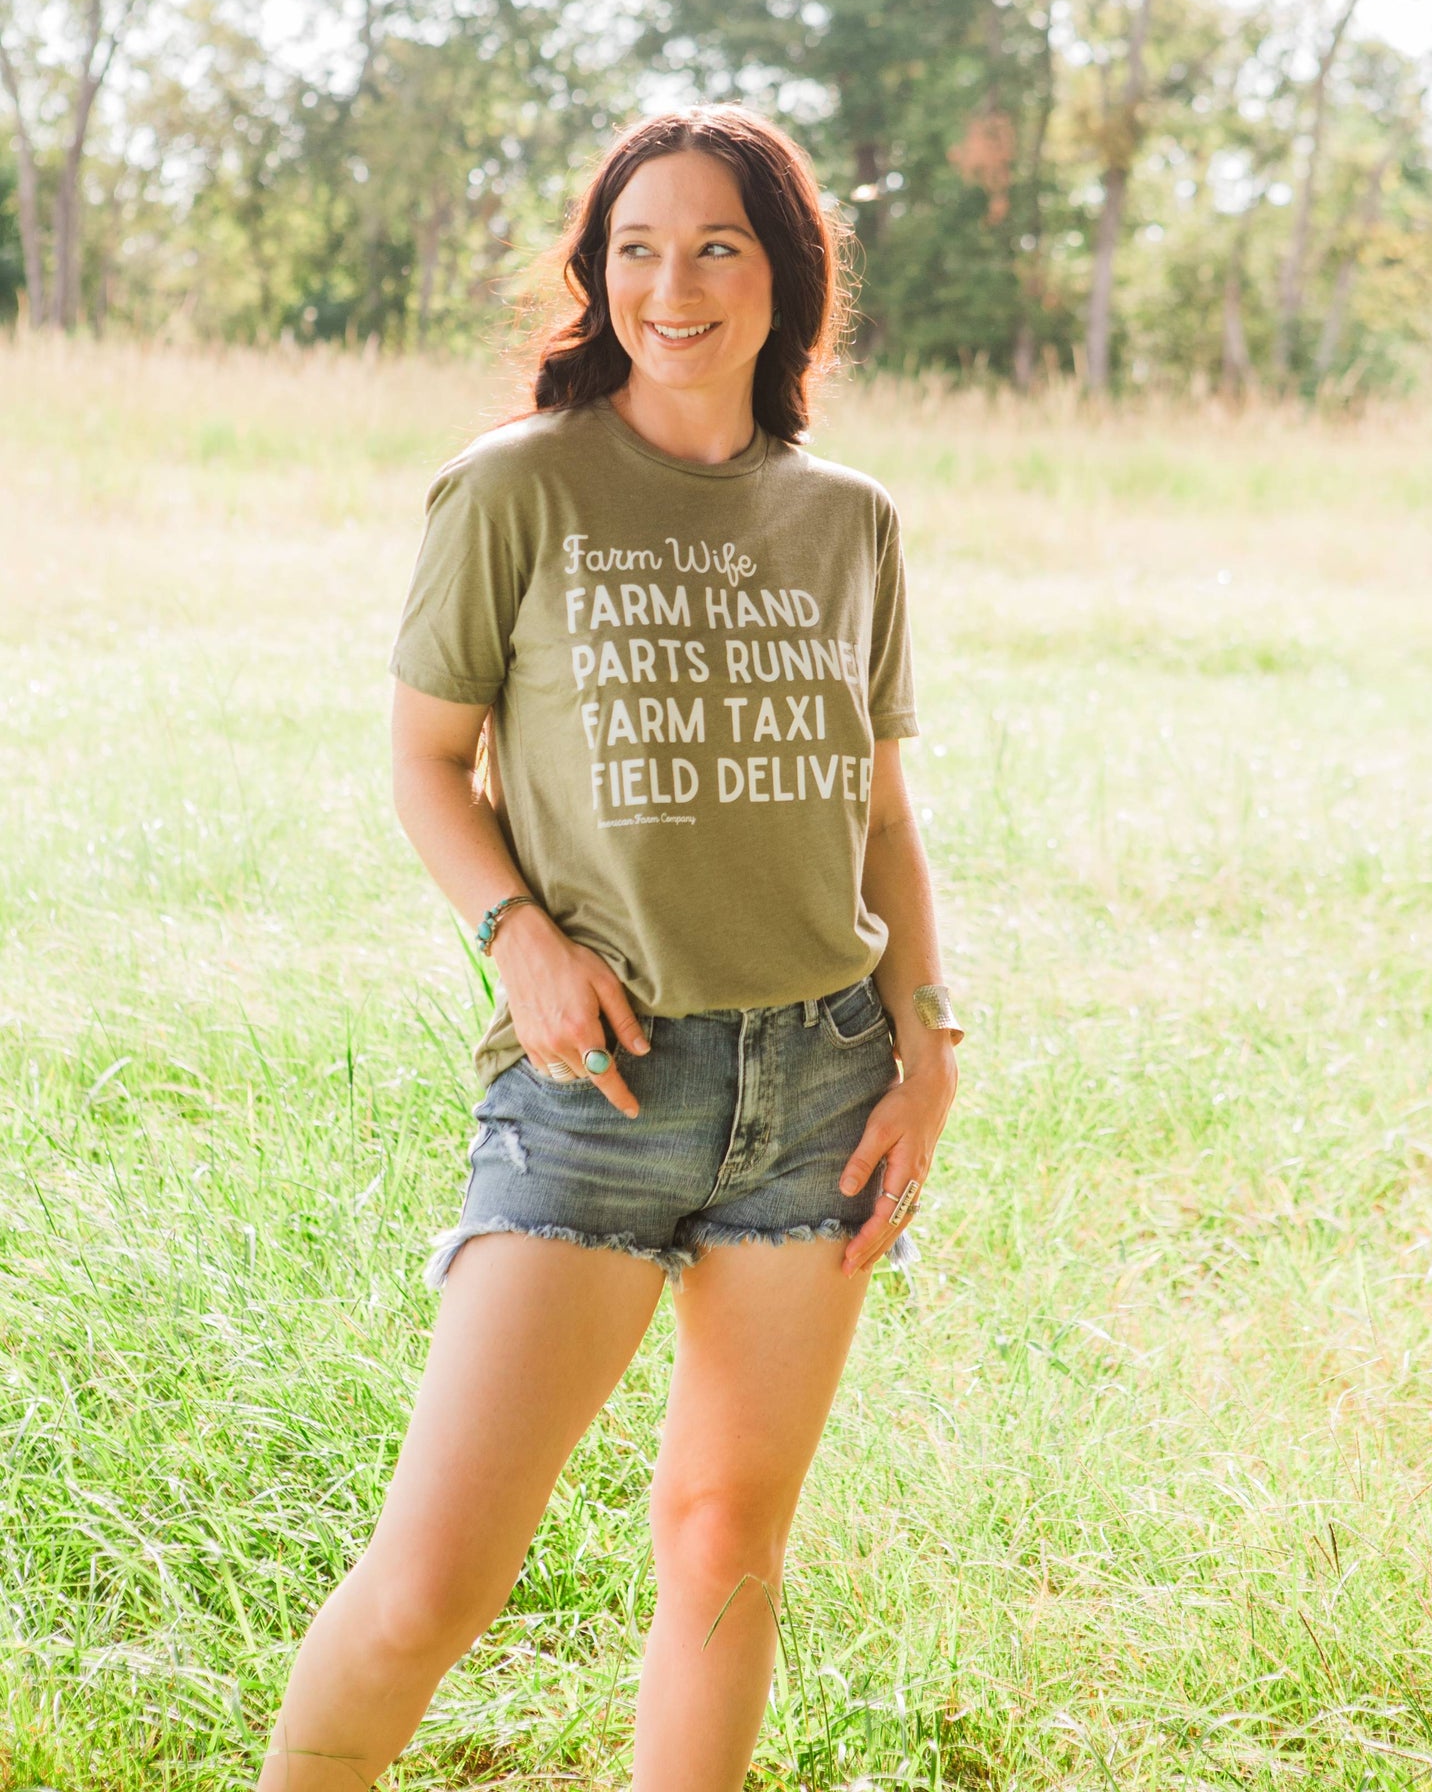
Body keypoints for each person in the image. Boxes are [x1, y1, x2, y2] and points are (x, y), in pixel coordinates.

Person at [258, 105, 962, 1791]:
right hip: (596, 1080)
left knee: (724, 1550)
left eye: (718, 243)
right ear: (597, 274)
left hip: (816, 1087)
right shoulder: (520, 484)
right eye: (636, 247)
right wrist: (517, 938)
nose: (674, 283)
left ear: (783, 278)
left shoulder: (846, 520)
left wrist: (927, 1047)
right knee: (439, 1578)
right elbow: (428, 761)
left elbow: (876, 817)